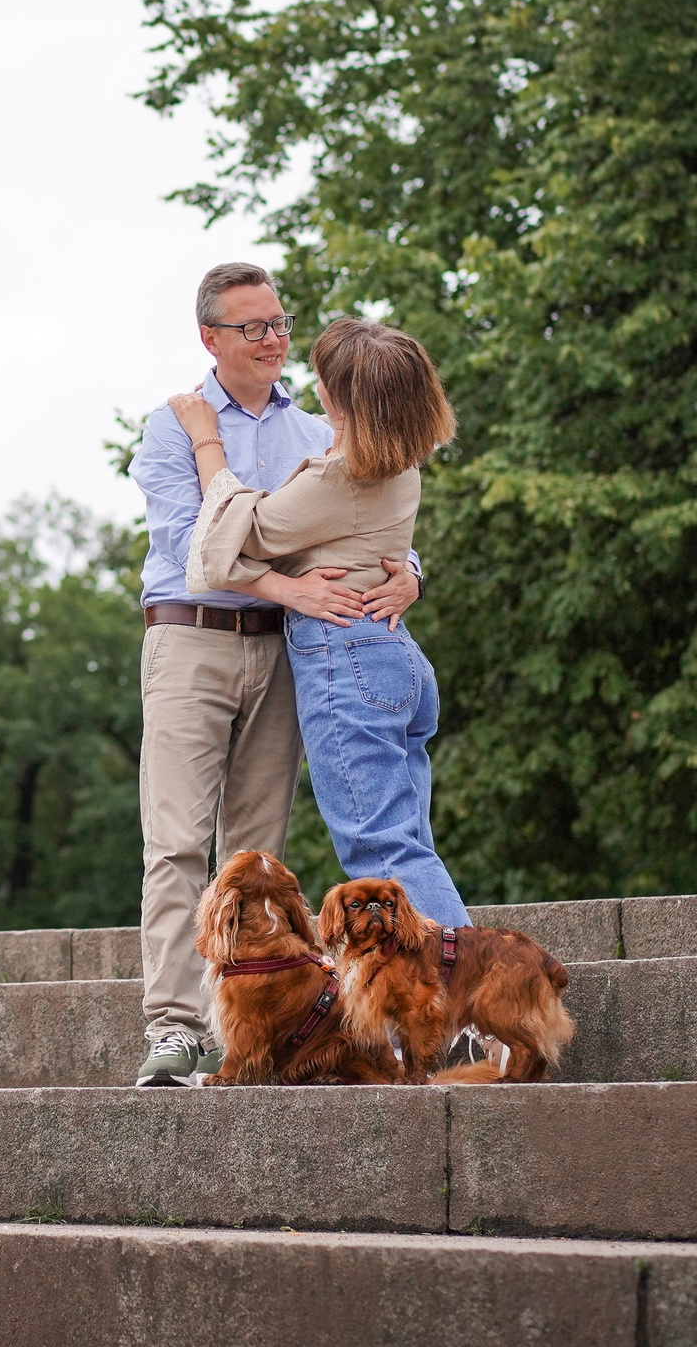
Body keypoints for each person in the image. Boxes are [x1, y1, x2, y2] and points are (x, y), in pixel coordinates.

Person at [125, 262, 422, 1088]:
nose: (273, 341)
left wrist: (411, 574)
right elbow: (198, 548)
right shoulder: (172, 426)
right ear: (210, 337)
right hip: (191, 640)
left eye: (281, 324)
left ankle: (248, 1029)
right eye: (253, 327)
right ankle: (176, 1028)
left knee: (257, 854)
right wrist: (290, 580)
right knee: (178, 844)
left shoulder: (314, 431)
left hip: (292, 649)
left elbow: (365, 513)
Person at [171, 313, 471, 936]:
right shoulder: (397, 461)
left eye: (325, 377)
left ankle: (462, 1000)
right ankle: (447, 1003)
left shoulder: (340, 476)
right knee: (408, 840)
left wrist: (207, 438)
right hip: (393, 655)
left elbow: (231, 534)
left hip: (347, 659)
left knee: (381, 850)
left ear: (345, 397)